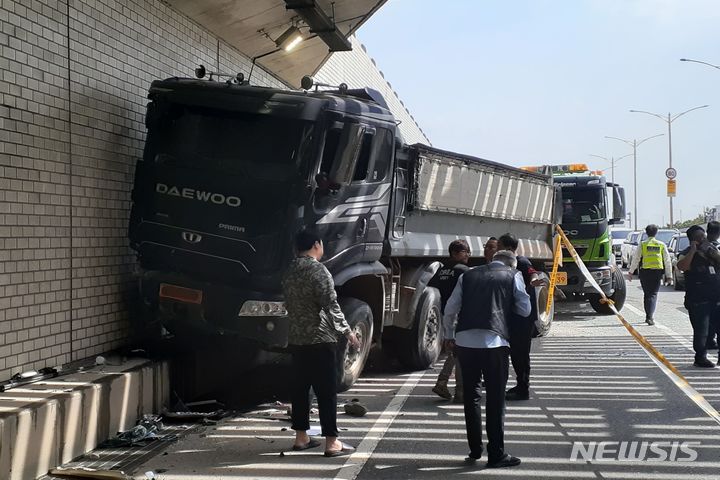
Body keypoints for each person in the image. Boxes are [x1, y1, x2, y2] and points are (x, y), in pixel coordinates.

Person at [443, 249, 530, 468]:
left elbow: (451, 309)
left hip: (465, 342)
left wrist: (448, 336)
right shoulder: (513, 276)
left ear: (492, 260)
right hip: (495, 343)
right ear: (512, 265)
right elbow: (525, 309)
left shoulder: (468, 275)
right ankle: (496, 454)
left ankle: (474, 449)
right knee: (495, 398)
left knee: (471, 395)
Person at [281, 228, 361, 456]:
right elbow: (331, 305)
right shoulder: (319, 271)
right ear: (317, 244)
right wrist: (348, 332)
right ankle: (331, 442)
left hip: (297, 339)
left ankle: (301, 438)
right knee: (326, 392)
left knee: (300, 390)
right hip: (320, 339)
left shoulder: (289, 271)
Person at [497, 233, 543, 401]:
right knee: (510, 352)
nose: (497, 249)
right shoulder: (503, 264)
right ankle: (514, 384)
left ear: (508, 248)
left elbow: (533, 273)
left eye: (499, 246)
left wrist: (533, 281)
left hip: (523, 318)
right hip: (511, 316)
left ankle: (523, 388)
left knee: (520, 354)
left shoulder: (521, 262)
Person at [430, 240, 471, 403]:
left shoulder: (440, 270)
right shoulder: (464, 271)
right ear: (454, 253)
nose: (468, 254)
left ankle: (442, 382)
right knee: (461, 351)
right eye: (465, 251)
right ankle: (460, 391)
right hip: (460, 314)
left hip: (445, 314)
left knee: (456, 350)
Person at [676, 225, 720, 368]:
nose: (702, 239)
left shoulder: (711, 251)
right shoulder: (686, 253)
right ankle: (700, 357)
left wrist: (712, 252)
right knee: (702, 331)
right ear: (692, 240)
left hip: (715, 296)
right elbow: (682, 266)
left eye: (703, 236)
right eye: (699, 238)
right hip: (698, 299)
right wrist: (693, 251)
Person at [627, 224, 672, 326]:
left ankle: (649, 316)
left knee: (647, 294)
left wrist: (631, 272)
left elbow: (636, 258)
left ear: (646, 233)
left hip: (645, 272)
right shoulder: (661, 244)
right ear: (656, 233)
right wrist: (669, 276)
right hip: (657, 272)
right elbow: (667, 261)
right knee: (653, 294)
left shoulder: (643, 244)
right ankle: (650, 316)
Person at [706, 221, 720, 350]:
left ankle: (709, 340)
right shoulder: (713, 247)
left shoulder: (699, 245)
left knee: (709, 318)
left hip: (705, 289)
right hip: (714, 288)